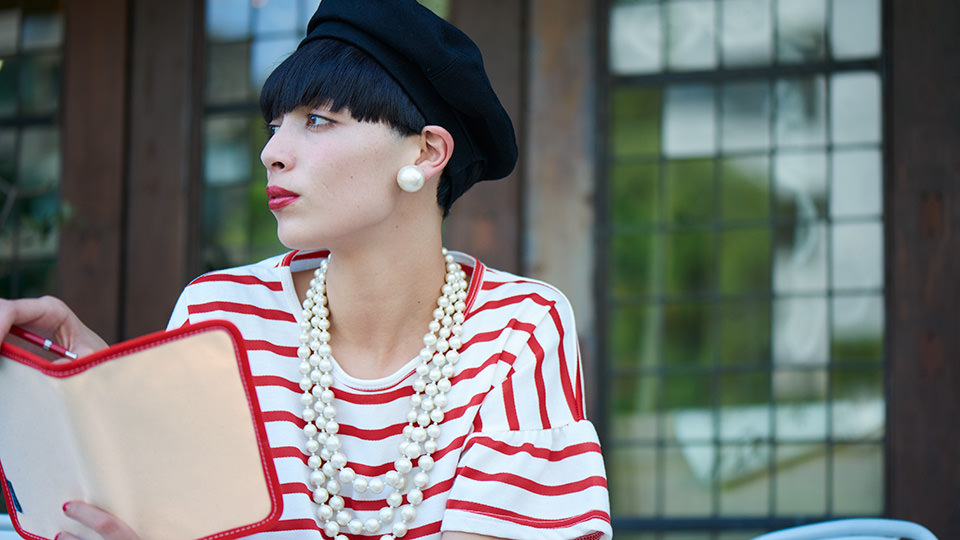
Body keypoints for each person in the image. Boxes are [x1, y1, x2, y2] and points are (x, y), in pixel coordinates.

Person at [0, 0, 612, 538]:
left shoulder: (517, 328)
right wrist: (98, 405)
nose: (271, 152)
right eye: (275, 126)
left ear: (427, 151)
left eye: (317, 121)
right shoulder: (220, 317)